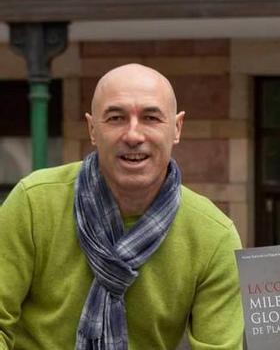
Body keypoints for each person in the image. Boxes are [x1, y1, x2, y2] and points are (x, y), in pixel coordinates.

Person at [0, 64, 243, 349]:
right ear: (92, 129)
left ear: (176, 128)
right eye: (116, 118)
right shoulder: (34, 203)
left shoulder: (213, 236)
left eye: (151, 118)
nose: (133, 135)